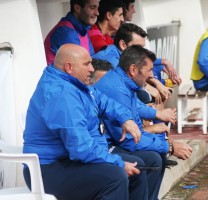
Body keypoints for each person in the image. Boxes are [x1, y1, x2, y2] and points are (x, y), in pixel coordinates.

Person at [23, 44, 149, 200]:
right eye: (86, 64)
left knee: (136, 170)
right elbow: (80, 148)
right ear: (69, 67)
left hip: (69, 160)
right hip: (46, 170)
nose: (91, 69)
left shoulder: (76, 84)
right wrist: (118, 163)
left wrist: (125, 118)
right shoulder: (62, 94)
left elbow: (104, 102)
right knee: (115, 177)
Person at [95, 45, 193, 200]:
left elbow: (135, 106)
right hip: (105, 145)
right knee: (152, 160)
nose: (152, 75)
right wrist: (170, 147)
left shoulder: (124, 81)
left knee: (157, 155)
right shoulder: (117, 89)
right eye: (149, 70)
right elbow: (128, 140)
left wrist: (157, 113)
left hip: (116, 140)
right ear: (133, 69)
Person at [93, 23, 181, 104]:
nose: (142, 52)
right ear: (123, 45)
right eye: (138, 47)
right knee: (145, 97)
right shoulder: (111, 58)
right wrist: (152, 85)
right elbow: (125, 78)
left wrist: (162, 62)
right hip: (95, 102)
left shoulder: (126, 55)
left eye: (142, 48)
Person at [44, 0, 99, 65]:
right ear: (77, 8)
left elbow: (92, 60)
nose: (97, 13)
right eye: (92, 8)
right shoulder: (65, 32)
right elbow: (79, 68)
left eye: (97, 8)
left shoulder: (83, 29)